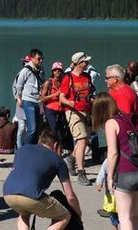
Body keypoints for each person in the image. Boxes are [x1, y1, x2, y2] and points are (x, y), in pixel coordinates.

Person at [92, 92, 138, 230]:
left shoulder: (111, 123)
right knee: (135, 215)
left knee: (124, 217)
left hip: (125, 174)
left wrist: (110, 177)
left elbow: (113, 153)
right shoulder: (127, 118)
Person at [3, 129, 81, 230]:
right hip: (31, 195)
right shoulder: (57, 160)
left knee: (24, 214)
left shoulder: (22, 150)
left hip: (8, 193)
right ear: (56, 145)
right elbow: (70, 196)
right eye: (60, 149)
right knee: (64, 216)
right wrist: (78, 212)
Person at [59, 51, 95, 186]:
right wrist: (69, 103)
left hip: (86, 111)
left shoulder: (87, 77)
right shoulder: (68, 78)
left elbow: (90, 93)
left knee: (85, 141)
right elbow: (61, 98)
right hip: (73, 112)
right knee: (81, 139)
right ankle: (81, 173)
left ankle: (71, 158)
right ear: (79, 63)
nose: (88, 63)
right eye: (85, 61)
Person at [14, 49, 44, 146]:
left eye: (42, 58)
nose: (41, 61)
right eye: (39, 59)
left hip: (38, 101)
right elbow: (18, 85)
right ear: (32, 59)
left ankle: (33, 148)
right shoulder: (25, 70)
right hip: (28, 100)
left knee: (37, 129)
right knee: (32, 128)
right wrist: (19, 98)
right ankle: (26, 150)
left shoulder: (41, 70)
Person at [40, 61, 66, 147]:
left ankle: (58, 149)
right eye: (55, 70)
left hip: (61, 109)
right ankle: (53, 148)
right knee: (54, 130)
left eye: (59, 70)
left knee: (61, 130)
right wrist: (55, 94)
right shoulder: (48, 83)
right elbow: (42, 98)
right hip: (50, 109)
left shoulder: (63, 82)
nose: (57, 72)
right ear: (52, 72)